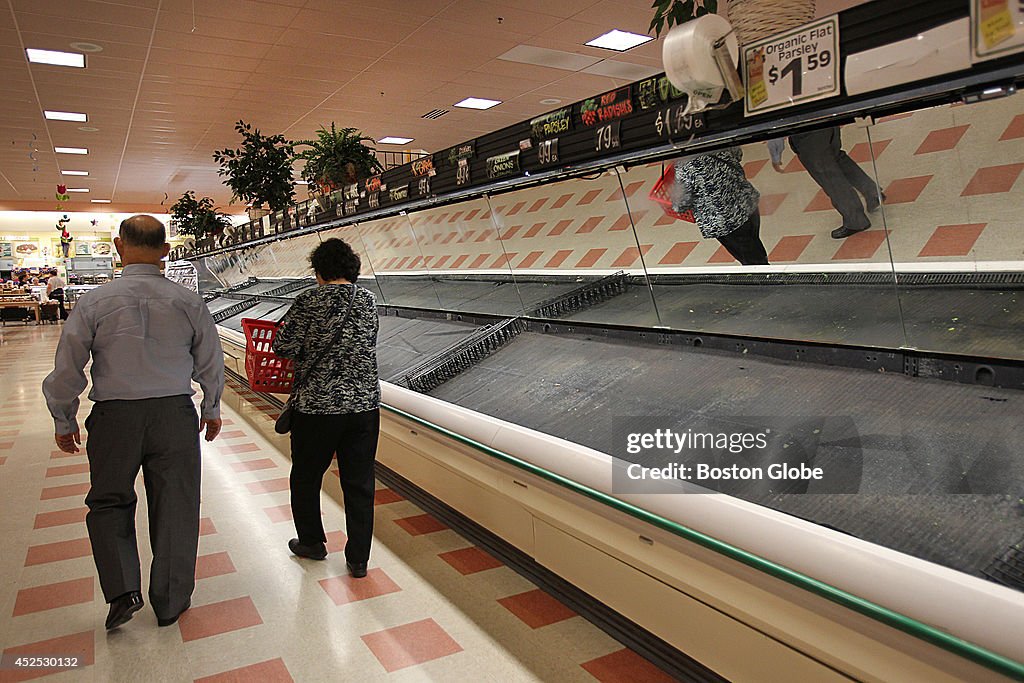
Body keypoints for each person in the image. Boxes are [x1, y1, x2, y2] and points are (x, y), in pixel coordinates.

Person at [42, 215, 224, 630]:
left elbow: (68, 365)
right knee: (177, 504)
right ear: (165, 251)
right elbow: (210, 363)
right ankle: (171, 599)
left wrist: (64, 415)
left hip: (114, 416)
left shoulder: (95, 302)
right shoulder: (188, 303)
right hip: (174, 415)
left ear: (118, 246)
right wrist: (211, 408)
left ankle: (123, 591)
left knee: (108, 500)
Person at [272, 238, 380, 578]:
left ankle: (312, 542)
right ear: (352, 269)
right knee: (359, 482)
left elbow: (282, 346)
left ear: (319, 271)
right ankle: (358, 558)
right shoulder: (367, 299)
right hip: (363, 405)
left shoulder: (309, 300)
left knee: (306, 476)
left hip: (317, 407)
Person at [768, 127, 884, 239]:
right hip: (827, 122)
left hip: (806, 133)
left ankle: (856, 220)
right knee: (837, 158)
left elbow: (775, 124)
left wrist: (775, 156)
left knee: (827, 174)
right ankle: (873, 193)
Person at [675, 147, 769, 265]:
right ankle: (766, 269)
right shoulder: (716, 141)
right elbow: (738, 154)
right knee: (754, 246)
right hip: (747, 203)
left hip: (727, 223)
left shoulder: (684, 166)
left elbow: (681, 204)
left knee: (752, 262)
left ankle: (770, 278)